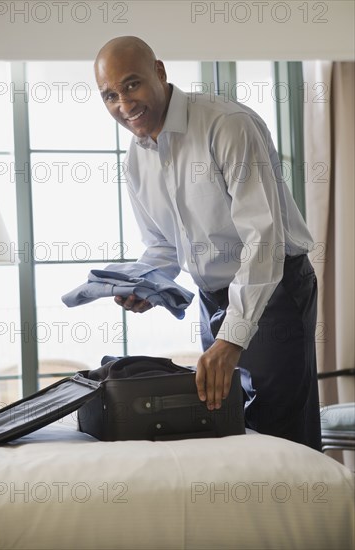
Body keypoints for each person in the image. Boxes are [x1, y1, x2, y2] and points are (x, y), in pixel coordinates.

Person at [94, 36, 321, 450]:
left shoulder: (227, 124)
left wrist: (231, 338)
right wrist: (147, 282)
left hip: (275, 290)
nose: (123, 105)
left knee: (278, 430)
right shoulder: (137, 156)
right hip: (212, 297)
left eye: (131, 85)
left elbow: (263, 238)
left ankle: (301, 514)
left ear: (159, 73)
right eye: (110, 95)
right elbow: (163, 245)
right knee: (227, 422)